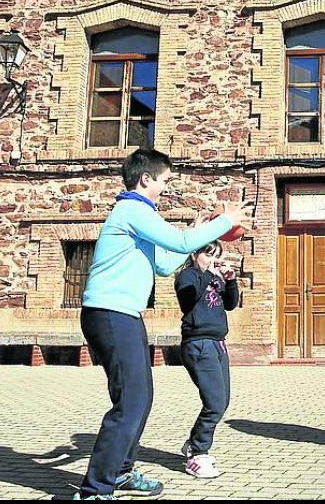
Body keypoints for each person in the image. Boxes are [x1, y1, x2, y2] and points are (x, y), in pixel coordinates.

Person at [74, 148, 251, 501]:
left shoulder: (139, 217)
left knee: (139, 398)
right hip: (109, 313)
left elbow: (167, 263)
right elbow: (181, 243)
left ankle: (121, 472)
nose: (166, 187)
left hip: (124, 315)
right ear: (146, 179)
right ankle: (94, 490)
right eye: (165, 180)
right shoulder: (132, 209)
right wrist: (225, 220)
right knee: (131, 402)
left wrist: (198, 231)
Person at [175, 241, 242, 478]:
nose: (212, 259)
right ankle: (197, 453)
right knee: (213, 403)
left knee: (222, 401)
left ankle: (194, 443)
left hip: (218, 344)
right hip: (198, 344)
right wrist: (207, 273)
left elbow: (232, 304)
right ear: (195, 254)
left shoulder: (215, 278)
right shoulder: (187, 276)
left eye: (216, 255)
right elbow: (188, 299)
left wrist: (230, 280)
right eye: (207, 254)